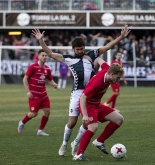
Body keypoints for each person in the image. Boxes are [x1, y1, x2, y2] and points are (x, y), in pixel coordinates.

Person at [31, 26, 130, 156]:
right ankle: (64, 144)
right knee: (72, 122)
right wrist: (41, 41)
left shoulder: (91, 54)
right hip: (78, 94)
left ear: (84, 47)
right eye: (77, 49)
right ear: (73, 49)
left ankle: (76, 143)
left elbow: (107, 47)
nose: (80, 51)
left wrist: (121, 37)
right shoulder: (69, 59)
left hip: (91, 94)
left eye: (81, 48)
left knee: (87, 123)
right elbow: (50, 54)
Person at [73, 58, 124, 161]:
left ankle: (99, 141)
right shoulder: (97, 82)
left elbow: (99, 59)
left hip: (97, 105)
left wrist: (94, 71)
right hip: (87, 105)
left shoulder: (107, 69)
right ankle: (78, 154)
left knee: (119, 119)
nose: (118, 80)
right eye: (117, 78)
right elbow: (83, 98)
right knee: (93, 127)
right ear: (111, 74)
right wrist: (85, 115)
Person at [17, 49, 57, 136]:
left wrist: (54, 84)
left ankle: (40, 130)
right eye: (42, 55)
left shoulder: (47, 69)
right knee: (33, 114)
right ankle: (22, 122)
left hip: (44, 95)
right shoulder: (33, 67)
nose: (44, 57)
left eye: (46, 55)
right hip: (34, 95)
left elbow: (50, 80)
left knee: (47, 111)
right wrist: (28, 91)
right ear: (38, 56)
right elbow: (25, 79)